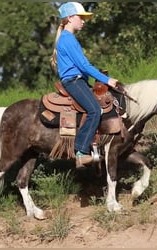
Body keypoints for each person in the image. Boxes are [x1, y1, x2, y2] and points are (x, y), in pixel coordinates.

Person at [50, 2, 118, 168]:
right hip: (73, 81)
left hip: (79, 79)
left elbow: (84, 68)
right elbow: (84, 66)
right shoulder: (67, 39)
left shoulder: (68, 38)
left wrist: (98, 79)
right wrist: (107, 80)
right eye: (81, 17)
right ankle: (80, 152)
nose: (84, 21)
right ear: (70, 18)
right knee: (94, 110)